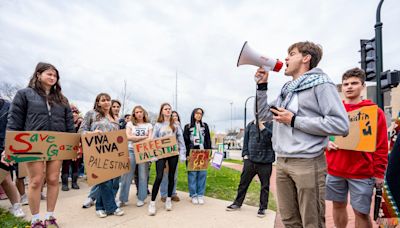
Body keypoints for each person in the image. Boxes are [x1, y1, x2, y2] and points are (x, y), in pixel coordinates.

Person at [255, 41, 349, 227]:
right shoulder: (286, 90)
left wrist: (294, 121)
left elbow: (340, 125)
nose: (286, 58)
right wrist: (262, 87)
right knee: (289, 220)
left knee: (311, 221)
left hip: (308, 163)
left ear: (306, 58)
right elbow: (264, 115)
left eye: (291, 53)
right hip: (282, 162)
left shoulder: (322, 85)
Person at [2, 62, 75, 227]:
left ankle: (50, 216)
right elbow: (14, 120)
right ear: (38, 75)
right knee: (36, 180)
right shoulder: (24, 94)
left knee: (53, 178)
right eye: (49, 74)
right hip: (32, 143)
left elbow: (70, 124)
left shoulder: (62, 100)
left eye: (55, 75)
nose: (52, 77)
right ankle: (35, 219)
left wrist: (73, 145)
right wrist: (10, 145)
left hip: (57, 143)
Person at [325, 67, 388, 228]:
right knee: (337, 205)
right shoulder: (334, 110)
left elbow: (381, 145)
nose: (349, 87)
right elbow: (322, 133)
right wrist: (325, 143)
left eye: (354, 83)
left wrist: (379, 173)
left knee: (361, 212)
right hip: (334, 169)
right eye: (345, 84)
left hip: (362, 171)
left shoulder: (374, 112)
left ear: (363, 86)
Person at [79, 93, 124, 218]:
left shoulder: (114, 117)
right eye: (103, 100)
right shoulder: (91, 114)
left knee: (111, 181)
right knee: (104, 180)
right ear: (98, 102)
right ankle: (112, 208)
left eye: (108, 100)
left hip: (113, 152)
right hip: (96, 151)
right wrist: (92, 133)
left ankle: (100, 207)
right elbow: (81, 131)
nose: (106, 102)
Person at [226, 117, 275, 217]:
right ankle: (237, 203)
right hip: (250, 161)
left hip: (266, 161)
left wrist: (261, 126)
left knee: (264, 186)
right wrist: (245, 155)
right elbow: (246, 141)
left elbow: (271, 140)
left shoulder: (272, 125)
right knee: (243, 183)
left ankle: (262, 208)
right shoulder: (250, 125)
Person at [148, 103, 186, 215]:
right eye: (166, 109)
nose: (168, 110)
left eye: (169, 109)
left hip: (173, 154)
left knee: (171, 177)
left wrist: (182, 154)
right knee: (159, 177)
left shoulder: (176, 125)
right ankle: (152, 203)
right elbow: (153, 140)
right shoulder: (158, 125)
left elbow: (181, 140)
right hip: (161, 154)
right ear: (162, 111)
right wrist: (152, 154)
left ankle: (169, 199)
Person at [118, 105, 152, 207]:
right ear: (134, 114)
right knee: (126, 175)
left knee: (143, 175)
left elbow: (150, 139)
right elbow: (128, 137)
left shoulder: (149, 125)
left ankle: (141, 198)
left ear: (144, 113)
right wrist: (143, 137)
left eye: (141, 112)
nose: (139, 114)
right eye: (137, 112)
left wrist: (135, 139)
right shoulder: (129, 124)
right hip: (131, 150)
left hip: (143, 151)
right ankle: (123, 199)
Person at [0, 97, 25, 218]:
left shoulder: (8, 107)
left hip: (4, 146)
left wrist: (8, 147)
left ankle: (16, 206)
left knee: (5, 179)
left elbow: (14, 126)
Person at [183, 108, 211, 205]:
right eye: (197, 113)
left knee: (202, 174)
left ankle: (200, 195)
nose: (199, 115)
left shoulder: (205, 126)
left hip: (203, 153)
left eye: (201, 113)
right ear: (193, 114)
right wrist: (187, 154)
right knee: (193, 175)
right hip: (193, 153)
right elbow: (185, 142)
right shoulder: (188, 127)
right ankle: (193, 195)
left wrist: (209, 152)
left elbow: (208, 139)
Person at [160, 110, 181, 202]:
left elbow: (181, 139)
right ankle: (164, 194)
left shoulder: (178, 127)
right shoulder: (163, 126)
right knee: (165, 174)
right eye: (173, 116)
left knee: (174, 174)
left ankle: (173, 193)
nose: (175, 117)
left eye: (176, 116)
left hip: (175, 153)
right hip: (164, 152)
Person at [61, 104, 83, 191]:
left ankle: (74, 182)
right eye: (72, 112)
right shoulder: (65, 123)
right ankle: (64, 184)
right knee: (65, 165)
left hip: (78, 147)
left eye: (76, 112)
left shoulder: (81, 123)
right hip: (67, 147)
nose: (74, 114)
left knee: (76, 165)